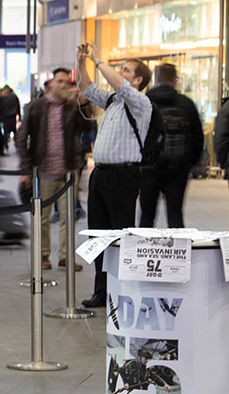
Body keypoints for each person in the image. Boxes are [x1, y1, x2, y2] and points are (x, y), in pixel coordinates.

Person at [76, 42, 152, 308]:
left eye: (126, 70)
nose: (121, 72)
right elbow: (85, 88)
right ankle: (101, 289)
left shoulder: (140, 103)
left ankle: (121, 290)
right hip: (100, 175)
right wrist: (82, 61)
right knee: (98, 234)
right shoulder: (113, 101)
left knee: (119, 235)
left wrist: (98, 59)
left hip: (123, 176)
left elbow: (118, 84)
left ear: (138, 80)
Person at [15, 68, 95, 270]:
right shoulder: (36, 106)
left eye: (66, 82)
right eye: (59, 81)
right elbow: (22, 137)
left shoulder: (73, 107)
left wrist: (84, 103)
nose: (62, 85)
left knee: (68, 216)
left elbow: (88, 129)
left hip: (69, 169)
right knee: (42, 215)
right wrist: (25, 169)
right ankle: (43, 255)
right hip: (44, 169)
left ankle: (65, 257)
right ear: (50, 84)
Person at [139, 63, 203, 228]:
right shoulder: (186, 103)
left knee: (146, 217)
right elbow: (197, 137)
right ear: (174, 80)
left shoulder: (145, 102)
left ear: (156, 79)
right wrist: (188, 164)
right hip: (177, 170)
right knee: (175, 217)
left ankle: (142, 253)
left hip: (148, 170)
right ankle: (179, 253)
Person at [0, 85, 21, 156]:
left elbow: (0, 107)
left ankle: (6, 146)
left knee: (5, 132)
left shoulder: (3, 97)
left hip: (5, 118)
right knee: (15, 132)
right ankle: (17, 146)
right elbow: (18, 107)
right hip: (12, 117)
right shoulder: (14, 96)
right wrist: (19, 117)